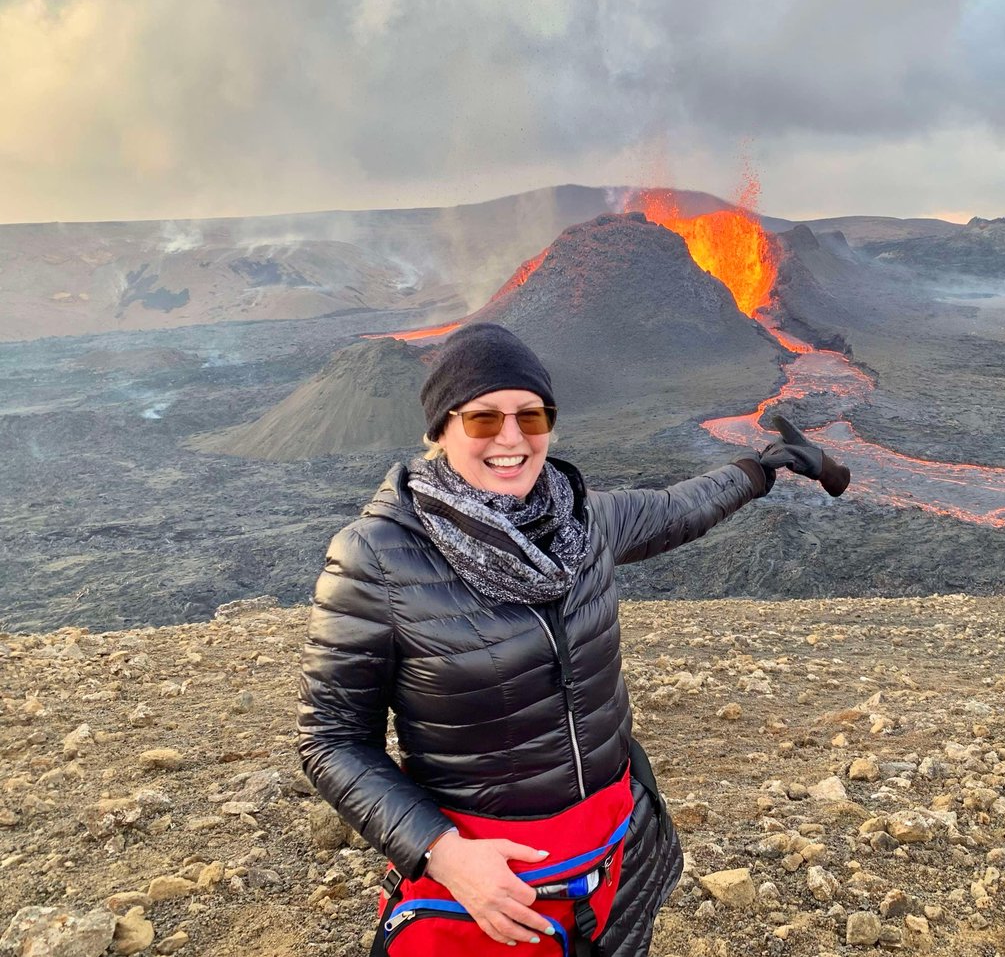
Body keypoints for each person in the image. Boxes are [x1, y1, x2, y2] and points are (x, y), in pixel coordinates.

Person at [297, 323, 849, 957]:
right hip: (494, 873)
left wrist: (761, 468)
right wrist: (443, 856)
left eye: (531, 416)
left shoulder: (580, 520)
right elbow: (331, 739)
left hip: (613, 842)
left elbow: (676, 509)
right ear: (439, 430)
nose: (511, 438)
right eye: (483, 419)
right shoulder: (377, 557)